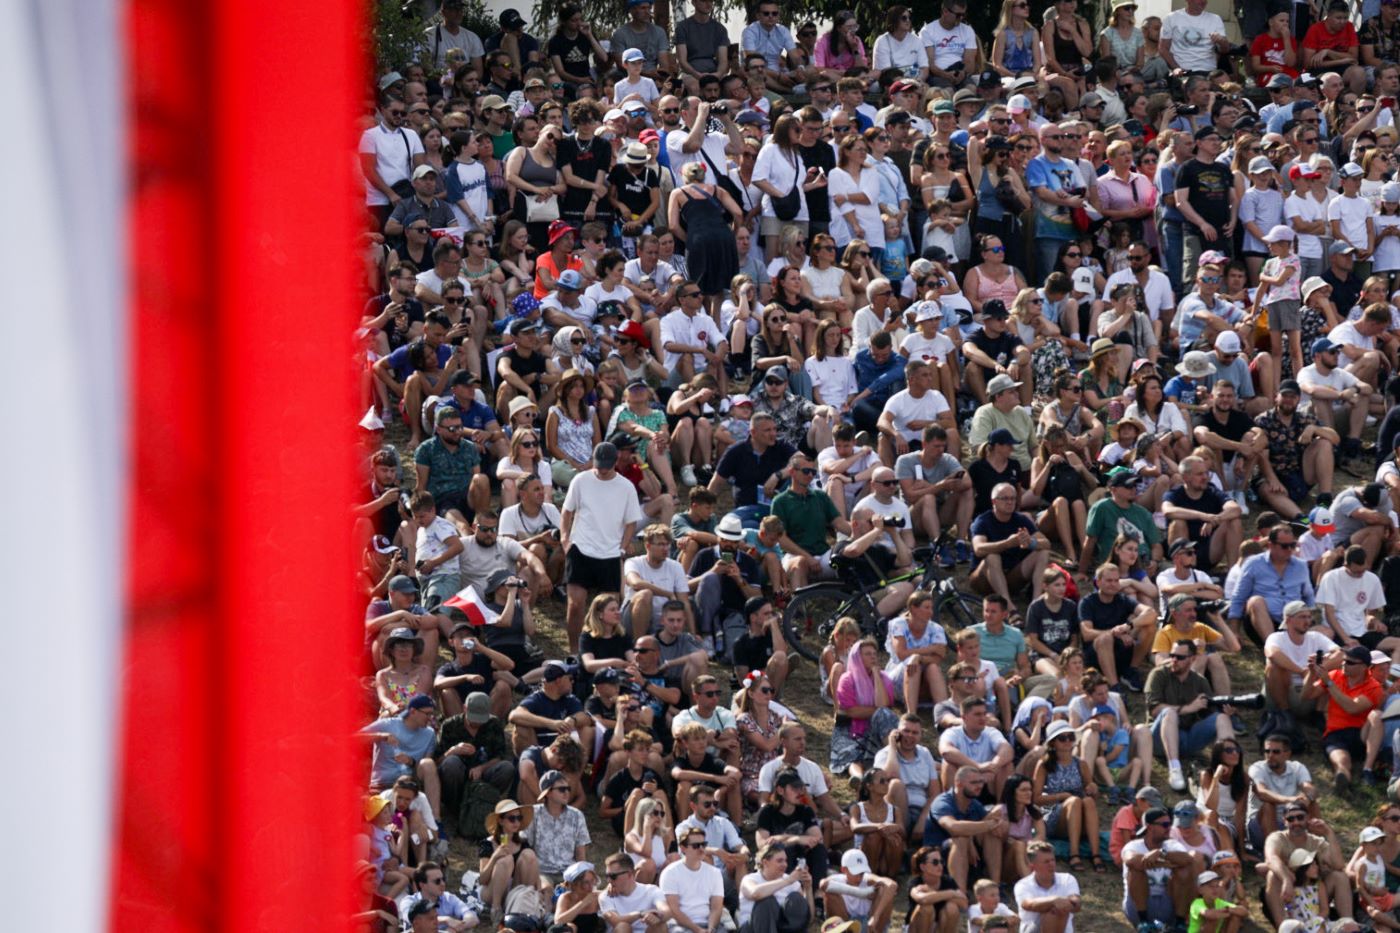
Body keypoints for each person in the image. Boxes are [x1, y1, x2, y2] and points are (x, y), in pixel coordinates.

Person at [560, 442, 644, 652]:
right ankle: (574, 652)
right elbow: (567, 511)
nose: (602, 470)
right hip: (580, 549)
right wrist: (565, 540)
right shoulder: (581, 480)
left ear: (615, 462)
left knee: (610, 610)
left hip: (610, 554)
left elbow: (631, 522)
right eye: (599, 465)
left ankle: (607, 652)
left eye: (606, 466)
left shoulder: (626, 487)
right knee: (575, 604)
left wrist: (622, 549)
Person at [1148, 640, 1236, 793]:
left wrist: (1225, 713)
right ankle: (1174, 769)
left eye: (1180, 657)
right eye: (1172, 655)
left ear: (1192, 659)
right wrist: (1189, 708)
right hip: (1159, 738)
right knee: (1169, 713)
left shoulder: (1200, 681)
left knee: (1221, 718)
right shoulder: (1159, 674)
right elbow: (1154, 710)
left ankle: (1228, 768)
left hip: (1188, 737)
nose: (1174, 660)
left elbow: (1209, 713)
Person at [1304, 643, 1385, 792]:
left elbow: (1352, 708)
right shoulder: (1335, 675)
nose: (1344, 664)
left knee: (1377, 715)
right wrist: (1311, 673)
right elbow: (1307, 695)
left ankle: (1367, 769)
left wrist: (1329, 683)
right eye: (1344, 660)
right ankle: (1342, 779)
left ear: (1364, 667)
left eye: (1350, 662)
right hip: (1335, 733)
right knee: (1342, 761)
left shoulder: (1374, 687)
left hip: (1361, 735)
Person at [1261, 801, 1354, 923]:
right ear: (1284, 821)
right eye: (1290, 819)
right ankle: (1283, 927)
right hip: (1287, 894)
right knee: (1272, 875)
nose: (1296, 822)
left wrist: (1329, 833)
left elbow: (1338, 865)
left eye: (1300, 817)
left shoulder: (1316, 842)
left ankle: (1349, 923)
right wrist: (1286, 879)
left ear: (1308, 818)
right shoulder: (1277, 838)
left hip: (1313, 894)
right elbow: (1271, 859)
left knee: (1340, 876)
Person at [1033, 720, 1105, 874]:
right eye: (1062, 738)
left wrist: (1093, 789)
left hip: (1079, 813)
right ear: (1053, 743)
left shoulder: (1081, 764)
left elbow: (1093, 793)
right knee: (1075, 801)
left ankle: (1096, 854)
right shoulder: (1044, 765)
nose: (1067, 741)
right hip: (1054, 817)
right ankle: (1074, 854)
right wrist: (1061, 796)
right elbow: (1035, 799)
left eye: (1070, 737)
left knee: (1087, 801)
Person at [971, 480, 1052, 605]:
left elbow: (1046, 544)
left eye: (1013, 498)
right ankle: (1009, 607)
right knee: (992, 557)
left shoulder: (1021, 519)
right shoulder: (982, 521)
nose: (1009, 502)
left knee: (1043, 552)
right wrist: (1007, 544)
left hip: (1011, 576)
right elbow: (978, 549)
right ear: (994, 501)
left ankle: (1037, 604)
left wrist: (1030, 542)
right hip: (984, 579)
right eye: (1005, 498)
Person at [1120, 805, 1195, 930]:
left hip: (1167, 902)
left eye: (1170, 824)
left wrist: (1161, 853)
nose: (1169, 828)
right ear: (1150, 827)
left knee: (1184, 870)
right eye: (1165, 825)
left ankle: (1179, 923)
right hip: (1139, 905)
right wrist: (1166, 863)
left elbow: (1187, 860)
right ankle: (1143, 923)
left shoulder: (1172, 845)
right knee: (1136, 870)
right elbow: (1131, 861)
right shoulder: (1133, 846)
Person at [736, 842, 812, 933]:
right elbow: (754, 893)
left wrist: (808, 888)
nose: (785, 864)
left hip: (780, 929)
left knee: (796, 898)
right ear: (765, 862)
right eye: (780, 861)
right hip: (752, 929)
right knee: (766, 902)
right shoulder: (750, 879)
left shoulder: (792, 882)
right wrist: (788, 881)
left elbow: (806, 919)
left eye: (785, 860)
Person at [1015, 839, 1083, 933]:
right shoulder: (1023, 885)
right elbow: (1028, 904)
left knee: (1059, 910)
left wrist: (1070, 903)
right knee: (1052, 912)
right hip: (1034, 930)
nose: (1052, 864)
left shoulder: (1067, 879)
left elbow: (1077, 904)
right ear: (1033, 866)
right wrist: (1054, 901)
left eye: (1053, 860)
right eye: (1046, 862)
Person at [599, 850, 668, 933]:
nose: (609, 880)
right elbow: (616, 921)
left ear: (629, 874)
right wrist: (640, 914)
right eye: (607, 876)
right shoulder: (605, 896)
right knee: (623, 926)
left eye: (613, 876)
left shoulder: (651, 890)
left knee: (660, 925)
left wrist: (657, 915)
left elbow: (666, 910)